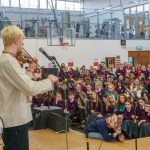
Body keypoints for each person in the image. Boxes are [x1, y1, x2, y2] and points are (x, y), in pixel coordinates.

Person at [0, 25, 58, 150]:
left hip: (16, 118)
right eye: (22, 40)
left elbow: (19, 83)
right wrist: (49, 81)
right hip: (14, 119)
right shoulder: (8, 61)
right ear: (16, 40)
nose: (23, 43)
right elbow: (29, 88)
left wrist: (30, 69)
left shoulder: (10, 60)